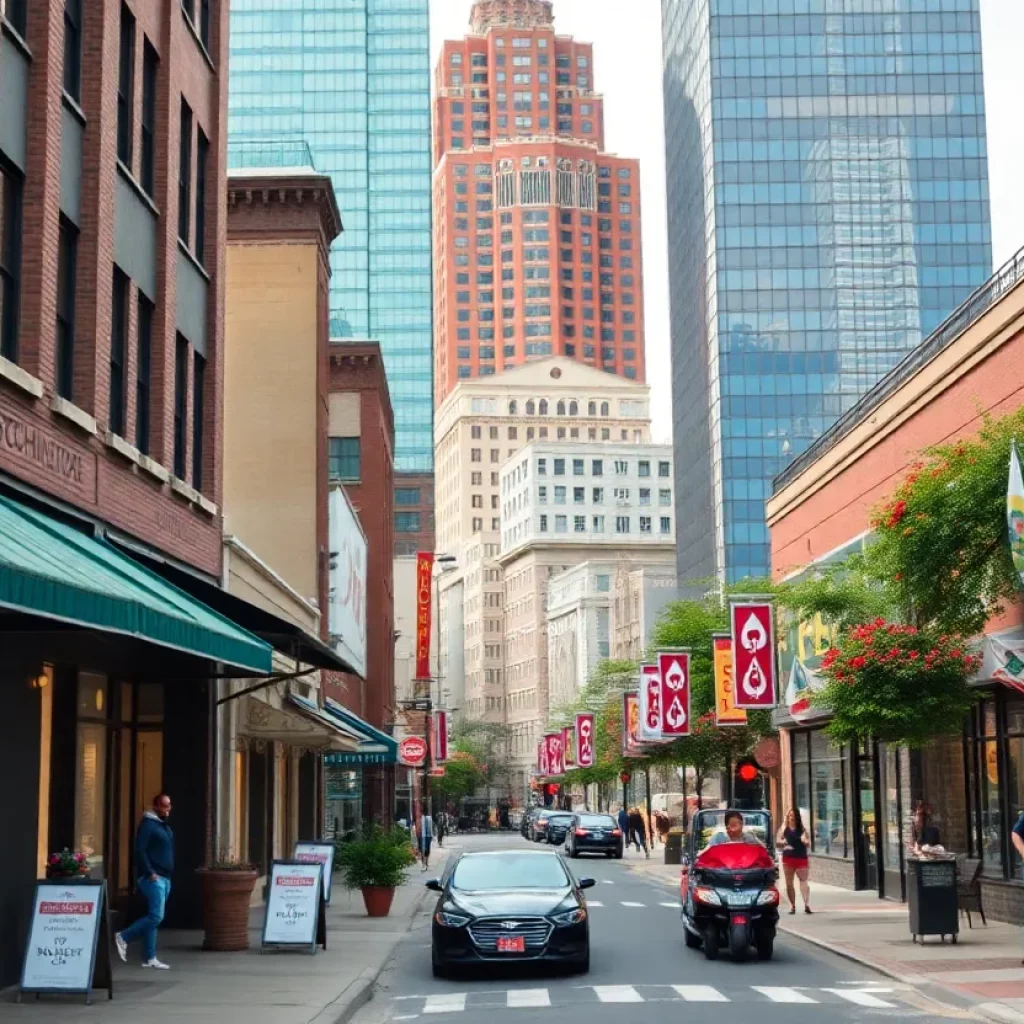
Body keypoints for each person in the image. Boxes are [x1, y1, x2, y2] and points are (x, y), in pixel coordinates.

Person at [115, 794, 174, 970]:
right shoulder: (148, 825)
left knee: (153, 918)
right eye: (165, 805)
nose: (168, 808)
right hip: (153, 878)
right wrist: (150, 873)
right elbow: (140, 851)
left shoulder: (161, 825)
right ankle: (123, 937)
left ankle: (150, 958)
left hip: (165, 877)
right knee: (156, 916)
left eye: (169, 805)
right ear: (155, 806)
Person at [777, 808, 812, 915]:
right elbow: (777, 842)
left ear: (797, 817)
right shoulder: (784, 828)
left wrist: (805, 841)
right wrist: (783, 843)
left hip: (801, 857)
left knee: (803, 881)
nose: (792, 817)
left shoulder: (802, 829)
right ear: (788, 817)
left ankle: (806, 904)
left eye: (794, 815)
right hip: (788, 858)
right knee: (789, 883)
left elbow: (807, 841)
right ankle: (792, 906)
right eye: (790, 815)